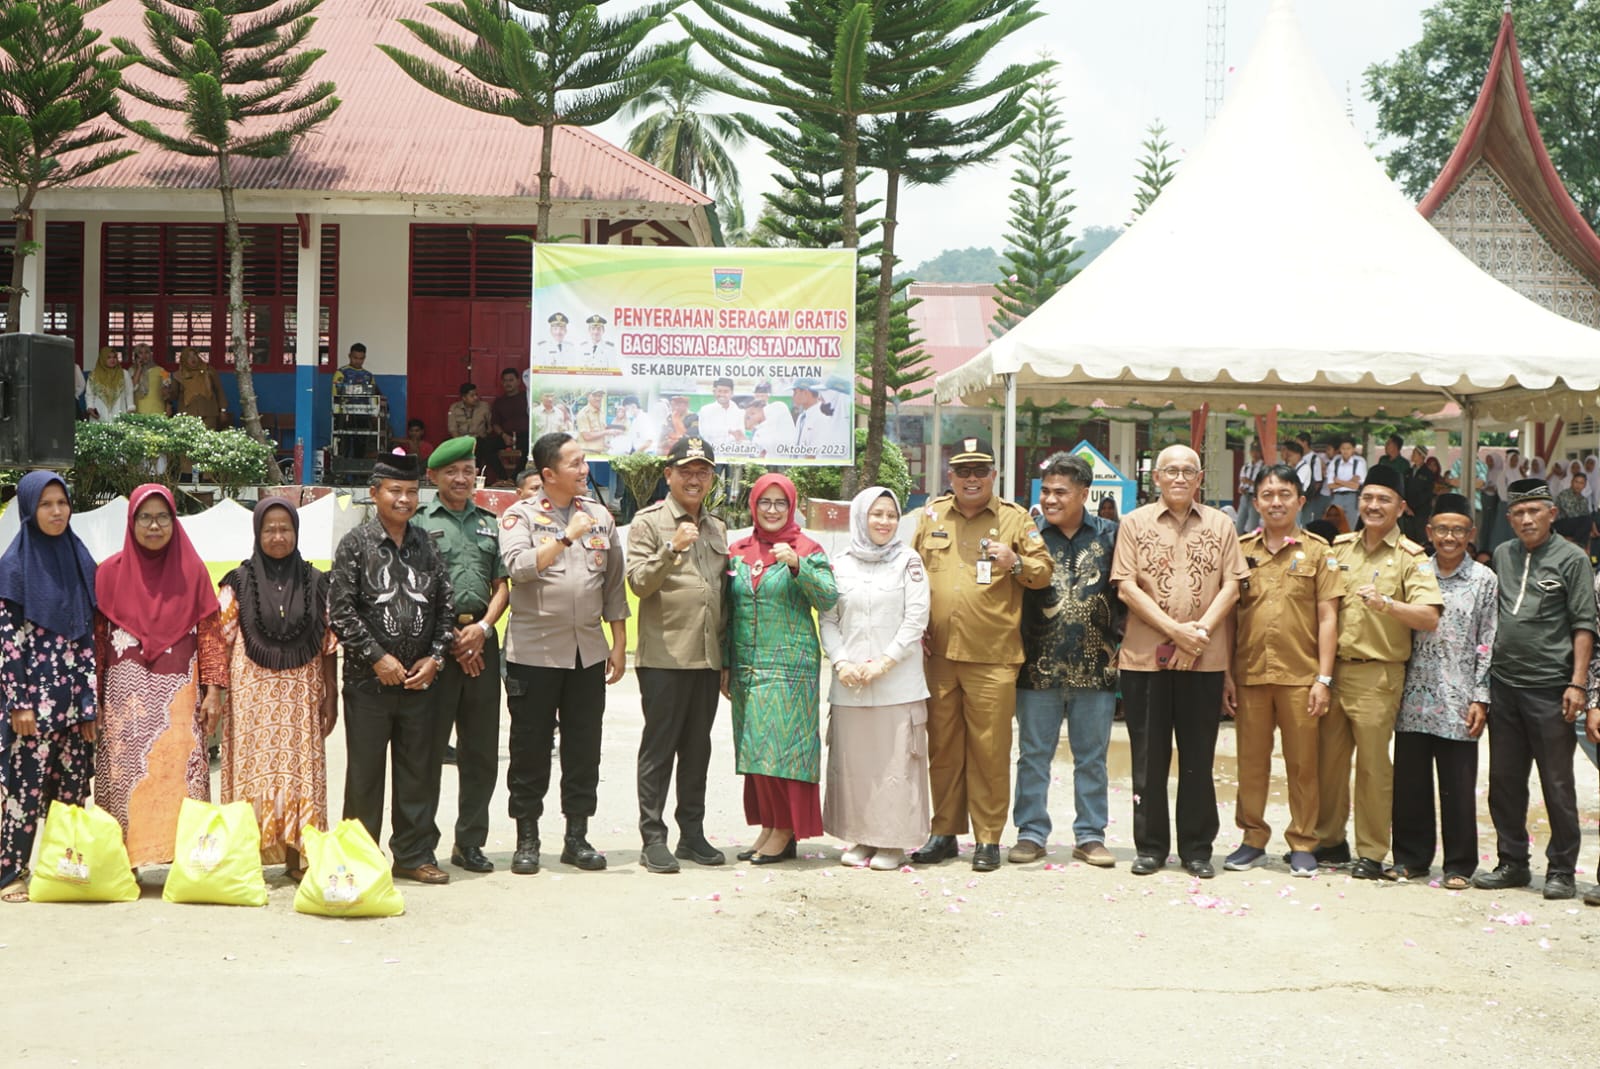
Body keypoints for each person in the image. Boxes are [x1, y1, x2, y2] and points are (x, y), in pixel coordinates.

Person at [910, 437, 1053, 872]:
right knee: (943, 748)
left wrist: (1014, 561)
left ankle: (988, 837)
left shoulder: (1014, 520)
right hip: (938, 657)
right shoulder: (931, 515)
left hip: (993, 655)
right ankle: (944, 832)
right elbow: (909, 572)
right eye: (963, 472)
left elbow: (1043, 573)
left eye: (980, 471)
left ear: (994, 476)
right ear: (949, 477)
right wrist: (913, 629)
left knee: (990, 749)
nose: (971, 479)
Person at [1112, 444, 1247, 879]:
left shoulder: (1222, 524)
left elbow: (1232, 586)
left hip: (1203, 661)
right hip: (1145, 660)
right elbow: (1126, 588)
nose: (1179, 478)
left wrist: (1200, 631)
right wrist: (1177, 632)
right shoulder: (1133, 524)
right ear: (1156, 477)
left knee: (1198, 758)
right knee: (1147, 759)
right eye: (1171, 471)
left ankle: (1197, 848)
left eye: (1188, 471)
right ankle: (1150, 847)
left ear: (1200, 477)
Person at [498, 433, 627, 874]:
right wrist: (566, 539)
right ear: (549, 473)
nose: (584, 470)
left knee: (583, 747)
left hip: (588, 653)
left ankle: (577, 836)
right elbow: (518, 569)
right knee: (530, 747)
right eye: (575, 463)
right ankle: (528, 839)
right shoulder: (520, 516)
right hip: (534, 653)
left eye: (585, 461)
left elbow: (613, 585)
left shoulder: (600, 517)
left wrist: (619, 645)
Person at [328, 452, 455, 885]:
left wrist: (435, 657)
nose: (404, 499)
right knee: (364, 774)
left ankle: (414, 854)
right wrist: (377, 658)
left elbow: (446, 607)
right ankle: (358, 859)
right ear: (375, 493)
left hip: (420, 683)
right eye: (395, 491)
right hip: (368, 683)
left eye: (411, 492)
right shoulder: (355, 544)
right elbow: (341, 612)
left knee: (417, 771)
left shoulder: (427, 544)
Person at [1313, 464, 1443, 879]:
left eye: (1383, 499)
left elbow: (1429, 616)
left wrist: (1389, 605)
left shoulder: (1412, 557)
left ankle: (1371, 850)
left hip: (1379, 675)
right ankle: (1330, 841)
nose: (1373, 505)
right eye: (1367, 497)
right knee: (1328, 763)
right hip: (1334, 672)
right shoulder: (1341, 549)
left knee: (1372, 767)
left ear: (1401, 507)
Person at [1474, 478, 1597, 901]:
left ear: (1552, 514)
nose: (1527, 519)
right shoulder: (1504, 555)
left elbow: (1584, 624)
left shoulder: (1572, 558)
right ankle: (1512, 862)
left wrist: (1577, 684)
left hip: (1551, 688)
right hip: (1504, 685)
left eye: (1535, 511)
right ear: (1509, 519)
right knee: (1505, 780)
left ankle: (1562, 868)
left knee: (1557, 782)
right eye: (1519, 513)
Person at [94, 485, 226, 868]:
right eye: (145, 517)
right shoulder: (107, 575)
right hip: (124, 700)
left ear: (174, 520)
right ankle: (123, 864)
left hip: (179, 699)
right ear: (131, 521)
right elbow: (98, 645)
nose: (154, 525)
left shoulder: (193, 573)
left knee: (179, 775)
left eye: (162, 517)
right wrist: (95, 699)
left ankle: (185, 862)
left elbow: (212, 638)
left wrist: (213, 691)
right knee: (123, 777)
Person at [1220, 464, 1338, 877]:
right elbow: (1230, 616)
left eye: (1284, 494)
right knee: (1251, 762)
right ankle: (1252, 838)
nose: (1275, 502)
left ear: (1300, 501)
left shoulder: (1319, 552)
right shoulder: (1241, 550)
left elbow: (1327, 617)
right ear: (1256, 503)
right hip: (1251, 674)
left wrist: (1323, 678)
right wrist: (1227, 674)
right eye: (1267, 495)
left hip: (1300, 677)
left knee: (1304, 764)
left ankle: (1303, 841)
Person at [217, 498, 337, 882]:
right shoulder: (237, 581)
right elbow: (220, 640)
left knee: (299, 771)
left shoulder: (317, 582)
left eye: (285, 528)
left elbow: (330, 641)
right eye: (269, 529)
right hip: (252, 695)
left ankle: (297, 857)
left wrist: (331, 694)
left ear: (297, 532)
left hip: (301, 696)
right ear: (257, 532)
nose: (278, 536)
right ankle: (245, 857)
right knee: (253, 773)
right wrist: (214, 693)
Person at [1011, 452, 1121, 867]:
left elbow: (1126, 591)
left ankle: (1090, 835)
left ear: (1084, 494)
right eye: (1046, 491)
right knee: (1033, 753)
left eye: (1061, 491)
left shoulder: (1111, 535)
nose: (1051, 499)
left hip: (1096, 666)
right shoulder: (1030, 536)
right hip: (1036, 665)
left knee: (1091, 756)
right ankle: (1031, 832)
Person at [627, 436, 729, 874]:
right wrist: (672, 549)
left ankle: (692, 832)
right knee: (659, 748)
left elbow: (724, 593)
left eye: (702, 471)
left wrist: (727, 659)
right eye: (685, 470)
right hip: (665, 656)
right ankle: (653, 837)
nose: (694, 478)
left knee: (697, 749)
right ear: (668, 475)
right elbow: (638, 583)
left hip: (707, 658)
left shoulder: (717, 527)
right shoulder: (648, 523)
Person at [726, 474, 838, 864]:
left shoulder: (807, 547)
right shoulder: (738, 549)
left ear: (791, 507)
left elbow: (828, 598)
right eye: (764, 503)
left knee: (784, 750)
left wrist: (799, 567)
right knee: (754, 749)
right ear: (753, 506)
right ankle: (771, 825)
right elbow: (729, 610)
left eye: (780, 503)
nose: (772, 510)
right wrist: (726, 664)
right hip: (747, 666)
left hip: (791, 668)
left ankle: (787, 829)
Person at [819, 487, 931, 872]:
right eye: (876, 514)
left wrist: (884, 662)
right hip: (850, 683)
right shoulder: (840, 563)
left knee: (895, 765)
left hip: (897, 684)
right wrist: (841, 661)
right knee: (856, 767)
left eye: (891, 514)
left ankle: (893, 842)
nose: (884, 522)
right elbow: (829, 619)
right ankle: (862, 837)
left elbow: (916, 618)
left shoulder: (908, 561)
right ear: (861, 517)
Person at [0, 473, 98, 904]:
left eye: (62, 503)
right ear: (28, 509)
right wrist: (18, 702)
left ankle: (63, 868)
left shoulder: (79, 558)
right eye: (46, 504)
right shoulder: (13, 567)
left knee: (72, 792)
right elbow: (8, 641)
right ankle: (11, 872)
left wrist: (89, 703)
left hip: (74, 703)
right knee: (24, 790)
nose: (57, 512)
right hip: (32, 706)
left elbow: (89, 637)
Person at [414, 437, 510, 875]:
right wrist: (453, 638)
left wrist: (482, 629)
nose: (461, 478)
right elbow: (414, 587)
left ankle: (470, 842)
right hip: (435, 646)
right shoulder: (418, 524)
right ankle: (422, 843)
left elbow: (503, 584)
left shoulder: (492, 523)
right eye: (451, 471)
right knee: (429, 750)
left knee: (481, 752)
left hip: (483, 644)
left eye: (468, 470)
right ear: (433, 476)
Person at [1390, 494, 1495, 889]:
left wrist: (1480, 696)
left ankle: (1459, 865)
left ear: (1471, 534)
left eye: (1458, 530)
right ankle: (1411, 858)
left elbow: (1488, 641)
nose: (1449, 537)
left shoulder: (1484, 580)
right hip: (1413, 695)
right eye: (1442, 529)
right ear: (1429, 532)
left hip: (1459, 699)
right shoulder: (1415, 571)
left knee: (1457, 785)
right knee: (1410, 783)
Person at [173, 347, 227, 430]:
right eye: (188, 357)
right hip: (188, 414)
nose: (193, 358)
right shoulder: (178, 375)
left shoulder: (209, 371)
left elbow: (219, 390)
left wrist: (223, 410)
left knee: (208, 438)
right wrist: (166, 392)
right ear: (184, 360)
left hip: (209, 412)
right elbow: (174, 395)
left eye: (194, 355)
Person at [492, 369, 530, 478]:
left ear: (518, 381)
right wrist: (503, 435)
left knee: (528, 449)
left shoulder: (527, 397)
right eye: (505, 381)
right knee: (487, 446)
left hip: (524, 435)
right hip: (506, 435)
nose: (507, 383)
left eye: (511, 380)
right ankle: (503, 478)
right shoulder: (499, 402)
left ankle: (515, 479)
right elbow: (495, 423)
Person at [85, 346, 134, 423]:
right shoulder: (93, 375)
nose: (112, 360)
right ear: (103, 358)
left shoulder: (124, 374)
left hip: (120, 411)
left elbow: (129, 393)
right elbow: (90, 395)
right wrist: (90, 408)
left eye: (114, 357)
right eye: (108, 357)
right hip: (99, 413)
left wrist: (130, 409)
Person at [1327, 437, 1367, 529]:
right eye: (1343, 448)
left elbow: (1356, 486)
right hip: (1337, 496)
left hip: (1352, 497)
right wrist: (1350, 481)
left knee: (1351, 525)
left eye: (1348, 448)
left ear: (1353, 449)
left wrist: (1339, 481)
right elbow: (1330, 485)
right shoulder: (1335, 463)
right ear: (1340, 449)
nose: (1345, 451)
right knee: (1335, 525)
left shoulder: (1358, 463)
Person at [697, 378, 742, 447]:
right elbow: (704, 432)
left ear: (732, 393)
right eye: (719, 391)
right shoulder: (706, 410)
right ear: (714, 392)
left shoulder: (738, 411)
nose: (722, 394)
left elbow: (740, 433)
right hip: (713, 452)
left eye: (726, 391)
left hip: (734, 452)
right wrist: (728, 431)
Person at [129, 343, 171, 417]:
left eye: (146, 352)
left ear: (150, 354)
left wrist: (168, 405)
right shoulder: (131, 371)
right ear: (136, 356)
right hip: (138, 410)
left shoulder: (162, 370)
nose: (144, 355)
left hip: (157, 409)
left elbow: (167, 390)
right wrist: (139, 369)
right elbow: (132, 387)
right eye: (140, 353)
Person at [1235, 439, 1264, 534]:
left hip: (1255, 496)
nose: (1254, 453)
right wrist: (1241, 488)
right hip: (1245, 496)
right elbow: (1241, 482)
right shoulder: (1246, 466)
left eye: (1257, 451)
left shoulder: (1263, 467)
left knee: (1253, 524)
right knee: (1239, 523)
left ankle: (1251, 544)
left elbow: (1262, 485)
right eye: (1253, 451)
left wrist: (1250, 482)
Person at [575, 389, 612, 455]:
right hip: (587, 453)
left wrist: (607, 445)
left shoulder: (601, 413)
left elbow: (599, 434)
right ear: (588, 396)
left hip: (599, 452)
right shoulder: (583, 414)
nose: (598, 398)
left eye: (600, 396)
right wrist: (606, 432)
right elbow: (587, 436)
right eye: (595, 395)